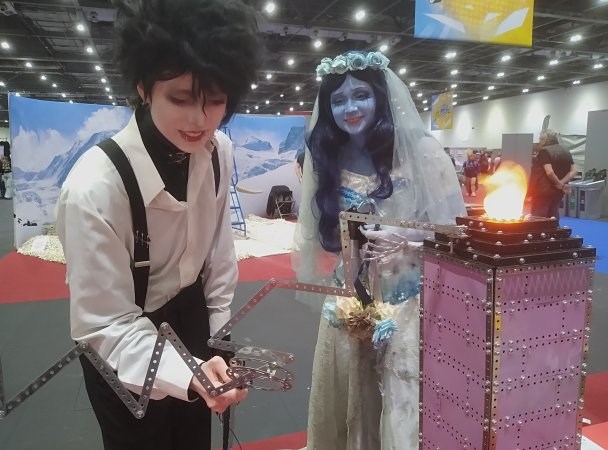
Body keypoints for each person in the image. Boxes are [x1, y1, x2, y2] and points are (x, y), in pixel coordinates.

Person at [55, 1, 262, 449]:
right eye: (181, 99)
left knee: (195, 440)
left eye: (216, 101)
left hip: (193, 319)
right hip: (122, 343)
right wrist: (184, 373)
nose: (199, 120)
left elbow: (218, 253)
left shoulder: (218, 151)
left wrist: (218, 337)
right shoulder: (94, 188)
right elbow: (104, 324)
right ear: (143, 88)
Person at [294, 51, 465, 450]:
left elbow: (457, 231)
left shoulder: (422, 152)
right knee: (348, 397)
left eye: (361, 95)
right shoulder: (328, 158)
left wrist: (406, 236)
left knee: (402, 401)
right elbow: (320, 233)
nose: (350, 108)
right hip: (348, 301)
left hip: (406, 304)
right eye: (338, 100)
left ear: (381, 96)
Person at [529, 129, 577, 220]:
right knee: (553, 215)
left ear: (545, 140)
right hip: (558, 192)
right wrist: (561, 183)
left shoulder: (544, 152)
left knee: (539, 218)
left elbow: (549, 172)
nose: (539, 142)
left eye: (540, 140)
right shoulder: (566, 151)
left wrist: (558, 183)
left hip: (543, 191)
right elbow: (574, 171)